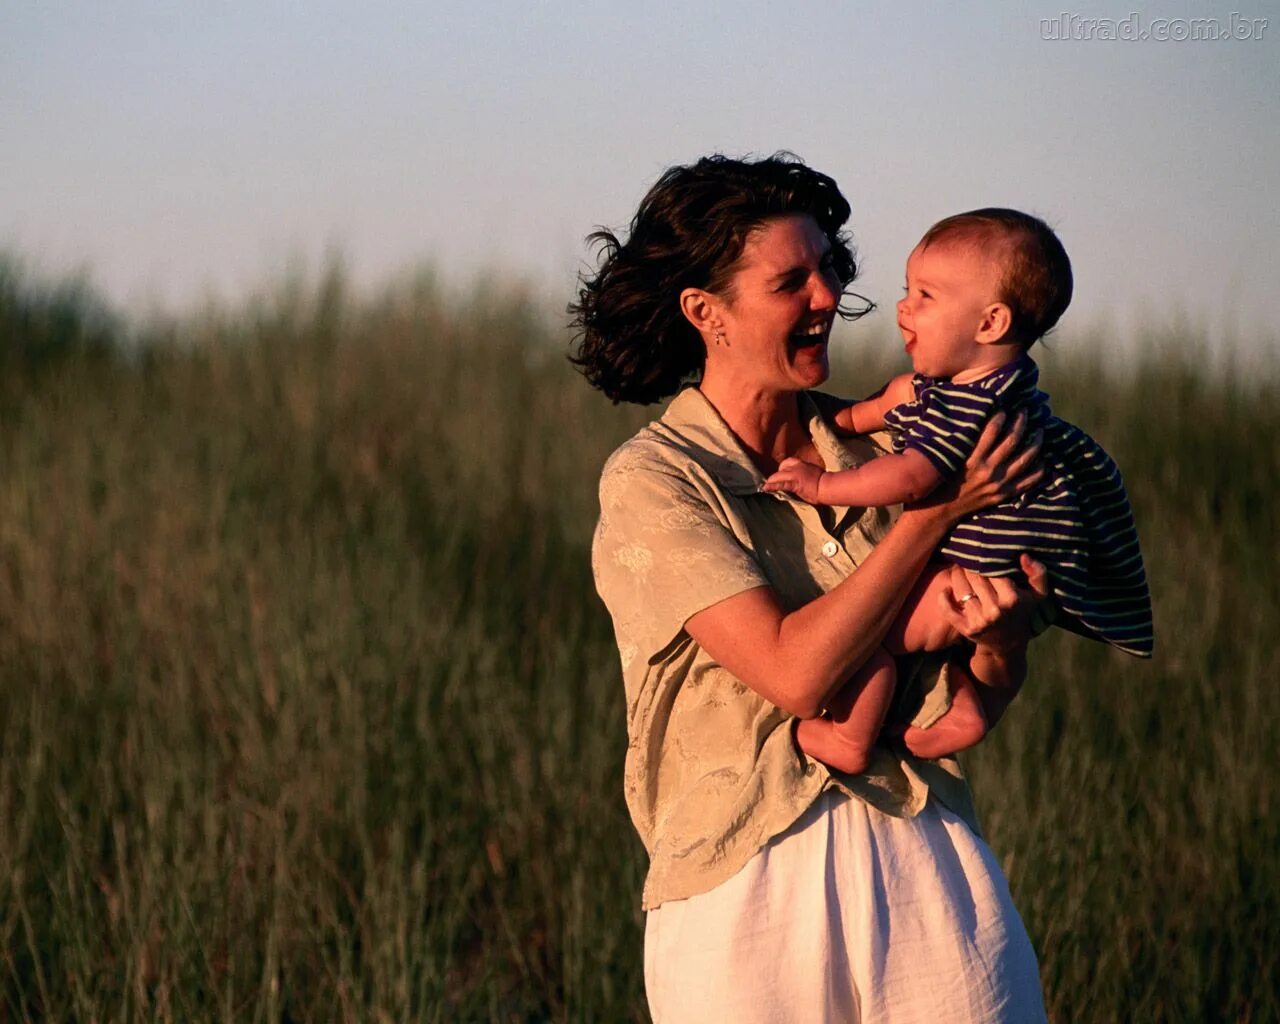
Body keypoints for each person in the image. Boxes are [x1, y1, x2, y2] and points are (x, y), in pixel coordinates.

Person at [572, 154, 1052, 1022]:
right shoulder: (657, 480)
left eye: (830, 268)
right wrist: (932, 516)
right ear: (704, 313)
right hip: (741, 883)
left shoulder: (891, 448)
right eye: (791, 279)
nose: (828, 295)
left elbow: (969, 700)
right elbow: (794, 676)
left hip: (923, 856)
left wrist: (1004, 641)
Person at [763, 209, 1154, 772]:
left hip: (968, 578)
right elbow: (863, 413)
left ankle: (848, 739)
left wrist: (823, 484)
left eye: (925, 295)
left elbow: (912, 476)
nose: (904, 307)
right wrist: (839, 420)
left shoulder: (968, 405)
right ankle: (967, 703)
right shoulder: (995, 390)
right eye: (907, 290)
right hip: (1001, 575)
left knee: (864, 641)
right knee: (930, 639)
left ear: (990, 323)